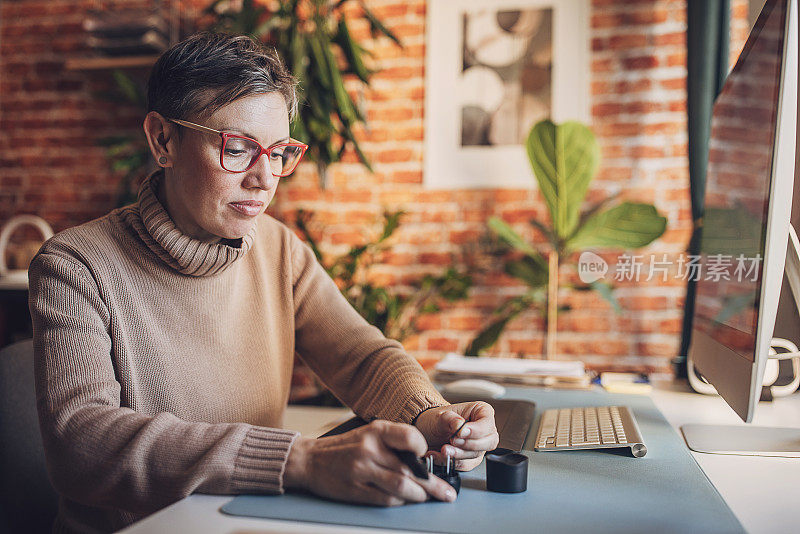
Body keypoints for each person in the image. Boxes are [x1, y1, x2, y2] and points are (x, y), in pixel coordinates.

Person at [28, 32, 499, 533]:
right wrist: (299, 461)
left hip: (243, 522)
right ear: (163, 139)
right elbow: (83, 445)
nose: (263, 179)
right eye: (237, 148)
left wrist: (430, 414)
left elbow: (360, 356)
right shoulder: (74, 265)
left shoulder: (278, 246)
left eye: (276, 152)